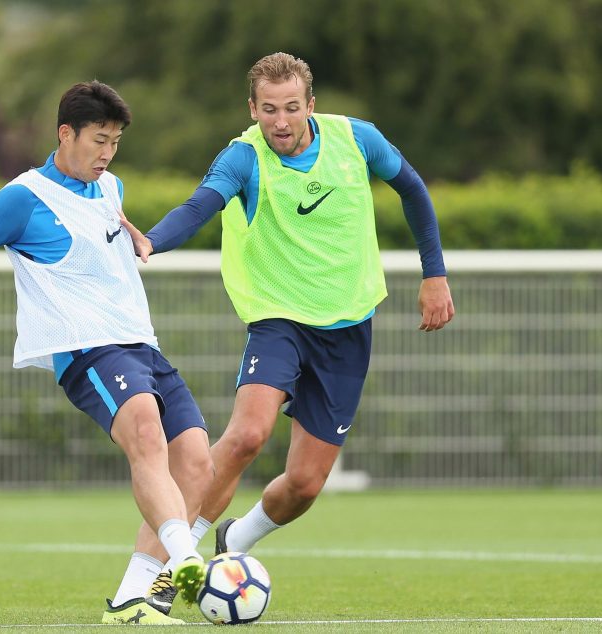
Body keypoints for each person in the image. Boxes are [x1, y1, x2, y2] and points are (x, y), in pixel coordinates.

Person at [130, 52, 455, 610]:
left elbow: (414, 190)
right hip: (278, 319)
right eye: (268, 110)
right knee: (248, 435)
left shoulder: (358, 139)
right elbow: (199, 206)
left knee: (304, 485)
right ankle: (172, 567)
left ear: (311, 106)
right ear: (252, 109)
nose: (280, 121)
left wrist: (435, 274)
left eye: (291, 108)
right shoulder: (242, 157)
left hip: (349, 327)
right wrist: (153, 240)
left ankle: (237, 539)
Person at [0, 81, 212, 625]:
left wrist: (142, 240)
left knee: (196, 461)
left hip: (142, 343)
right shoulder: (23, 198)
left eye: (115, 141)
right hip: (86, 351)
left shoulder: (111, 187)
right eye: (98, 139)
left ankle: (130, 600)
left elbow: (108, 244)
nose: (106, 153)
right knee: (145, 432)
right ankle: (187, 561)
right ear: (65, 134)